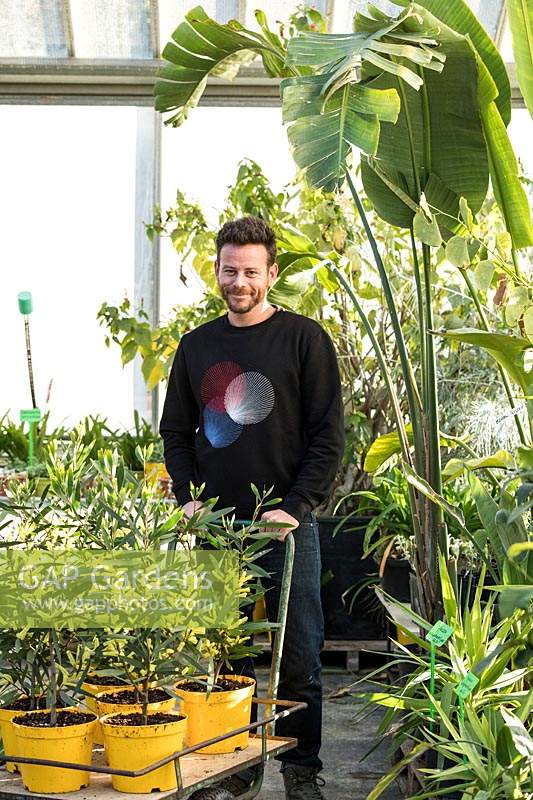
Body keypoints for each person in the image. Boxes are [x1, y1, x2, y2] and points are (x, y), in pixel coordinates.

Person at [159, 216, 344, 800]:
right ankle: (232, 772)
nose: (239, 281)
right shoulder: (196, 346)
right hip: (219, 531)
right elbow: (176, 434)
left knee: (299, 658)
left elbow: (327, 438)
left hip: (288, 529)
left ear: (272, 274)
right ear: (215, 270)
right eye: (229, 270)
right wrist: (189, 501)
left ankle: (301, 771)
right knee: (225, 661)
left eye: (250, 271)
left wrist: (294, 506)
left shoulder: (304, 340)